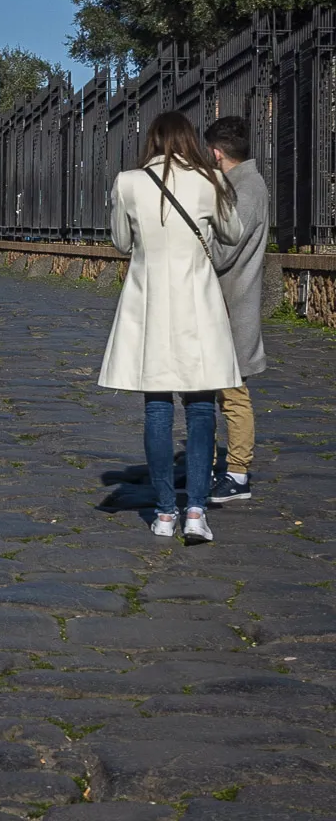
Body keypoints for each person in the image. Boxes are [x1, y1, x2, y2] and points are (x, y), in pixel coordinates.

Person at [98, 111, 243, 544]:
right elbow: (233, 233)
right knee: (201, 409)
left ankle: (164, 513)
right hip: (198, 307)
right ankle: (196, 511)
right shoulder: (209, 181)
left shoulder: (128, 182)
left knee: (157, 408)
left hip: (149, 309)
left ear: (153, 140)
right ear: (190, 139)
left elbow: (121, 243)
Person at [204, 116, 269, 503]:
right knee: (216, 389)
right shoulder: (241, 184)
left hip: (232, 302)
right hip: (226, 302)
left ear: (216, 152)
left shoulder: (245, 189)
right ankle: (213, 466)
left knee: (232, 391)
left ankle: (238, 473)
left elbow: (224, 250)